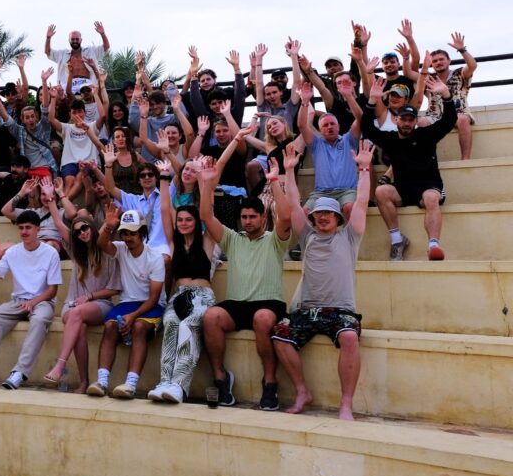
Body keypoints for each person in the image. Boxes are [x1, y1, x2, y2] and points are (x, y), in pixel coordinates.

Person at [272, 141, 373, 420]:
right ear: (313, 217)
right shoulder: (308, 237)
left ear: (338, 217)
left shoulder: (349, 236)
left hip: (340, 310)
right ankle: (302, 391)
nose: (324, 217)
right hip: (307, 309)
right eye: (319, 214)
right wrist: (289, 172)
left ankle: (346, 404)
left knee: (350, 337)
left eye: (329, 213)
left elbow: (362, 202)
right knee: (279, 335)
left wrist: (364, 169)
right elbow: (293, 203)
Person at [199, 153, 293, 410]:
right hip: (238, 304)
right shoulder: (233, 239)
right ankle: (221, 379)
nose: (248, 221)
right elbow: (207, 217)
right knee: (210, 317)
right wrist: (207, 184)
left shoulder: (275, 240)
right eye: (245, 217)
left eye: (253, 217)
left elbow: (285, 217)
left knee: (262, 318)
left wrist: (274, 181)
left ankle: (270, 383)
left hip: (269, 304)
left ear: (263, 218)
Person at [362, 74, 457, 260]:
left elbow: (449, 120)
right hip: (403, 189)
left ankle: (433, 246)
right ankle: (397, 240)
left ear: (415, 121)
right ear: (396, 120)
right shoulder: (390, 139)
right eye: (403, 119)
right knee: (381, 192)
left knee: (431, 198)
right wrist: (372, 101)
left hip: (429, 186)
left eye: (410, 120)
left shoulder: (426, 135)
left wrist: (446, 95)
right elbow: (367, 127)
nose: (406, 123)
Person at [147, 161, 217, 403]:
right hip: (179, 295)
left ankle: (179, 385)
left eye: (189, 219)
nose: (184, 223)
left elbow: (208, 211)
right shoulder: (174, 243)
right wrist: (164, 178)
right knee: (170, 323)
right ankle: (165, 380)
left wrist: (204, 183)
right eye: (182, 220)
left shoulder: (206, 241)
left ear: (196, 222)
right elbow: (165, 210)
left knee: (190, 324)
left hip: (202, 296)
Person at [0, 211, 62, 390]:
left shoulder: (50, 253)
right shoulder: (12, 252)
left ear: (38, 229)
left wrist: (33, 302)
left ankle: (19, 373)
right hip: (18, 301)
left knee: (40, 319)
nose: (24, 231)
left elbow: (52, 290)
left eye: (28, 227)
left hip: (42, 301)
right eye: (21, 228)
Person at [87, 207, 165, 399]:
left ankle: (131, 384)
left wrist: (133, 316)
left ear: (142, 233)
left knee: (138, 327)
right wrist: (108, 226)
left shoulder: (155, 258)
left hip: (151, 306)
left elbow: (154, 298)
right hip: (126, 303)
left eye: (133, 233)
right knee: (109, 327)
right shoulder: (121, 249)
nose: (128, 237)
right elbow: (101, 243)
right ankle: (102, 382)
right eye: (124, 233)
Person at [41, 213, 122, 394]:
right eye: (77, 232)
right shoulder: (76, 253)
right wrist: (52, 201)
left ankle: (60, 365)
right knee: (78, 325)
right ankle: (84, 381)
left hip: (101, 303)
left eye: (85, 228)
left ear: (92, 228)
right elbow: (60, 227)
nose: (82, 233)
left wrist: (90, 296)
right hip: (73, 305)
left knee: (77, 315)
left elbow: (115, 289)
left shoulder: (108, 251)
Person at [297, 81, 362, 220]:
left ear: (338, 127)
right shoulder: (316, 144)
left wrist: (349, 97)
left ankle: (350, 241)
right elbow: (302, 126)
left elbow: (360, 119)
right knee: (302, 214)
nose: (330, 127)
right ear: (320, 130)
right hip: (321, 193)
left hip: (347, 192)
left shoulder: (348, 140)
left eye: (333, 124)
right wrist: (305, 102)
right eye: (325, 125)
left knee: (350, 208)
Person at [424, 36, 477, 160]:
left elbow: (473, 66)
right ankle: (427, 160)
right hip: (435, 116)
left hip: (458, 113)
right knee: (421, 122)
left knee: (463, 119)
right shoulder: (428, 78)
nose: (438, 62)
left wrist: (462, 50)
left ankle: (465, 160)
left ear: (449, 61)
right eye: (435, 61)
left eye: (441, 59)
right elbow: (409, 74)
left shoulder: (460, 73)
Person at [45, 22, 110, 95]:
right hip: (69, 85)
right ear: (69, 40)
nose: (75, 41)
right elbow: (48, 52)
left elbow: (106, 47)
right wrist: (48, 38)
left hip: (87, 83)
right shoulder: (62, 53)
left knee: (90, 102)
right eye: (72, 39)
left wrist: (103, 34)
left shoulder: (90, 51)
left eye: (77, 39)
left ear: (81, 40)